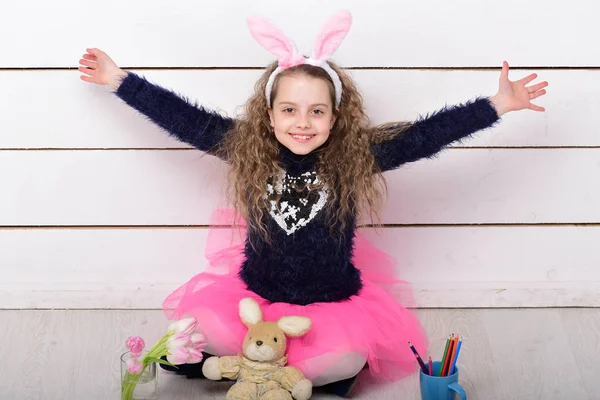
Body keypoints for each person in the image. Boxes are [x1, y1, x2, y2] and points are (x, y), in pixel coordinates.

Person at [79, 10, 547, 397]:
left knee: (343, 359)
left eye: (316, 111)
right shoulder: (245, 146)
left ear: (335, 116)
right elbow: (182, 118)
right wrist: (118, 78)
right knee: (205, 331)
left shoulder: (356, 156)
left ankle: (268, 371)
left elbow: (424, 136)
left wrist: (496, 105)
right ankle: (257, 366)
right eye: (289, 110)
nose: (302, 123)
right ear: (270, 114)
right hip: (256, 295)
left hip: (329, 300)